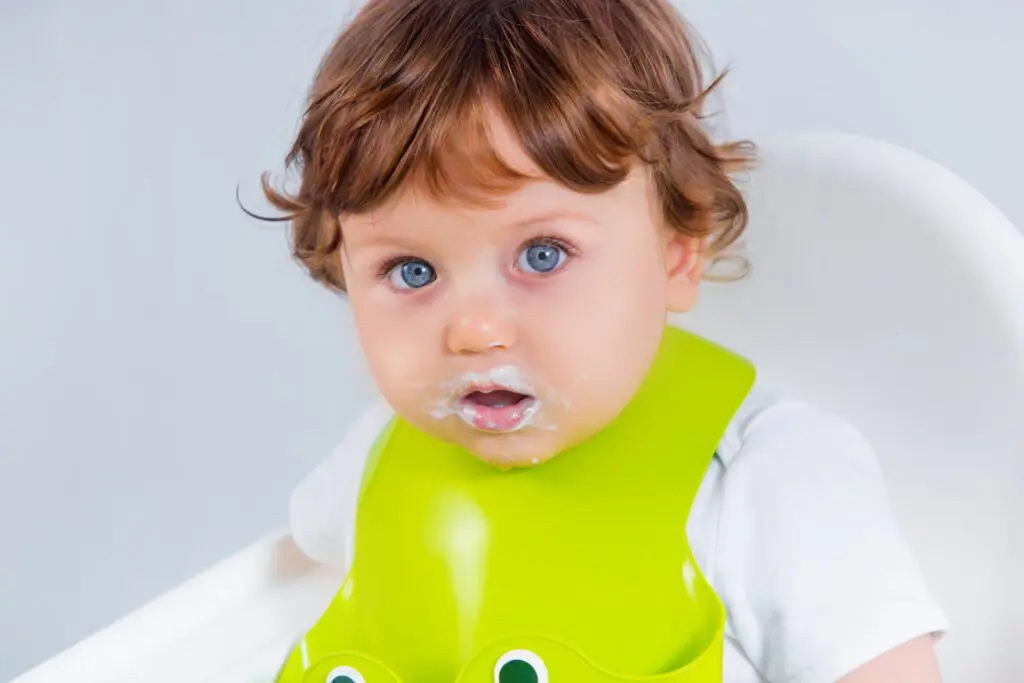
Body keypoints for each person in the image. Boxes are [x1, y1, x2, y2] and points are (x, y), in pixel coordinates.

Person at [257, 0, 949, 680]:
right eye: (412, 271)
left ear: (678, 252)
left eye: (542, 255)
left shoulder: (766, 479)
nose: (473, 331)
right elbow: (260, 598)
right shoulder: (375, 461)